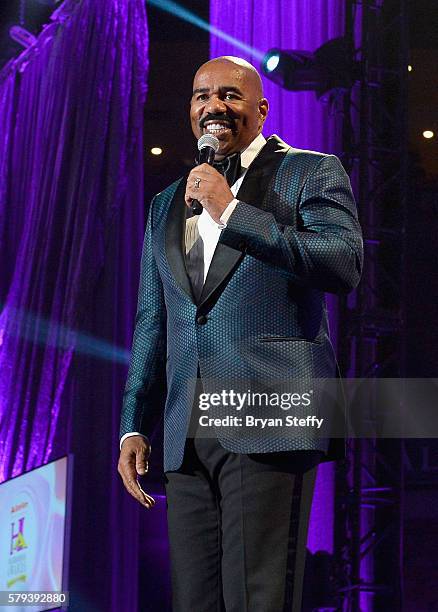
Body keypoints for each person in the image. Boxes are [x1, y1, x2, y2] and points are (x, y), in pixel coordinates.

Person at [118, 56, 363, 611]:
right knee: (195, 602)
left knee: (258, 598)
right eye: (202, 96)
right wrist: (134, 424)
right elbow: (153, 321)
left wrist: (232, 213)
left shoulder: (310, 171)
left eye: (230, 95)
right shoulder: (166, 203)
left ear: (261, 108)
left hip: (268, 413)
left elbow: (342, 263)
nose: (214, 107)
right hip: (187, 434)